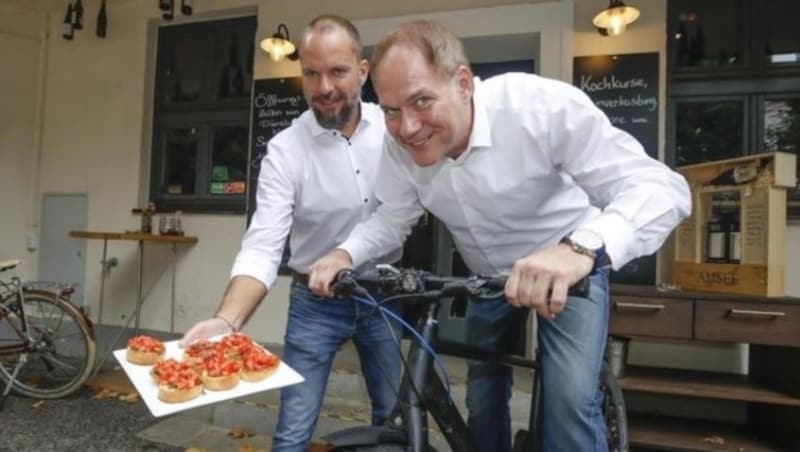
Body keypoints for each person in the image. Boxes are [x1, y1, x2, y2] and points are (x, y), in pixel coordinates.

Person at [309, 20, 691, 452]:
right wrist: (344, 253)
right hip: (486, 277)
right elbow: (394, 216)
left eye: (421, 101)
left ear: (464, 83)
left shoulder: (538, 108)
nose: (407, 127)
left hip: (568, 268)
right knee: (482, 395)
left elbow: (663, 189)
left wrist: (579, 249)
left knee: (567, 402)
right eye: (392, 110)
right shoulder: (398, 146)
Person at [180, 15, 402, 452]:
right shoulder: (284, 150)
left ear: (363, 70)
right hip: (315, 304)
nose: (324, 88)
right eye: (312, 74)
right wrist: (228, 321)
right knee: (293, 429)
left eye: (338, 71)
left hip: (384, 295)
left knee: (392, 420)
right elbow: (263, 245)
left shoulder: (395, 131)